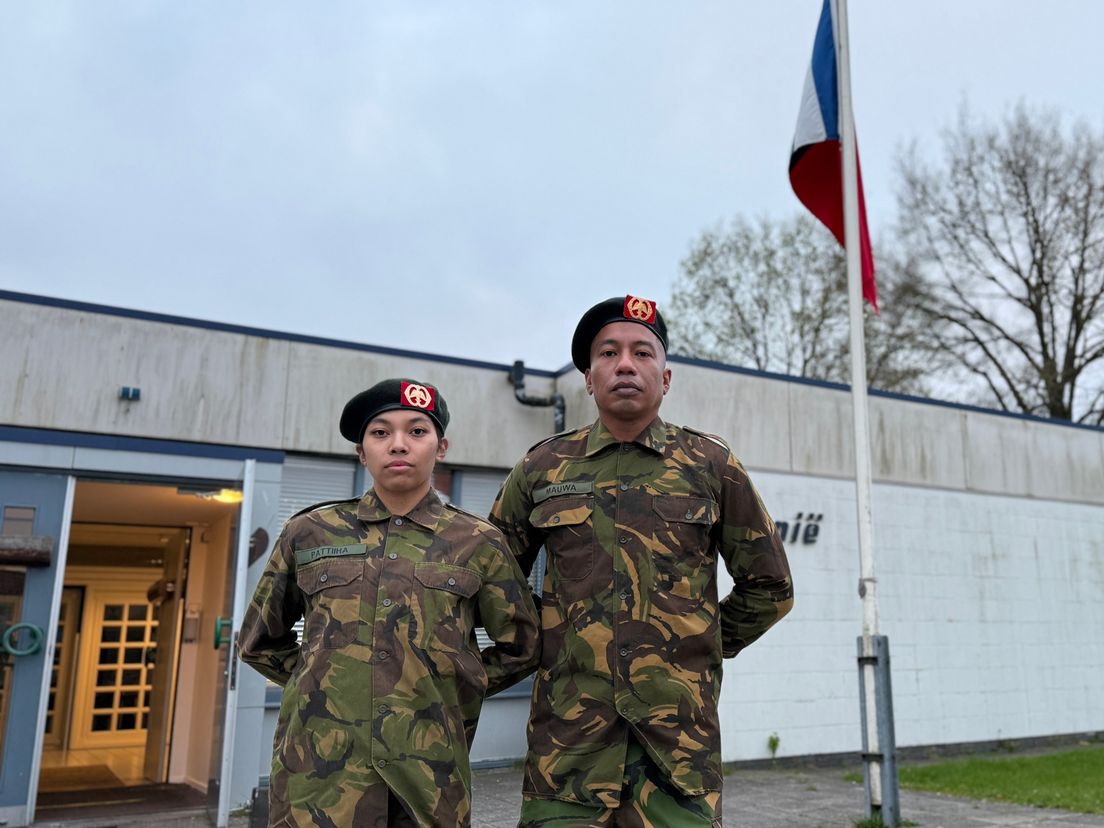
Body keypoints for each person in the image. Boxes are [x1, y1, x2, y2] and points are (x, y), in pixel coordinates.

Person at [490, 295, 794, 827]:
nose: (625, 364)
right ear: (588, 378)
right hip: (568, 753)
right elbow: (491, 581)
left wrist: (697, 647)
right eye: (608, 353)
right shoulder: (543, 468)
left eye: (642, 352)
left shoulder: (711, 466)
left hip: (677, 754)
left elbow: (770, 586)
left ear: (666, 376)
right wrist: (548, 641)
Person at [239, 378, 540, 828]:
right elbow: (258, 640)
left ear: (441, 447)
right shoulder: (310, 532)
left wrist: (450, 686)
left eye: (417, 431)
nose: (398, 444)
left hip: (428, 778)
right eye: (380, 433)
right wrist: (326, 684)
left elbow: (523, 645)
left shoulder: (478, 542)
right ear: (362, 452)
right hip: (320, 779)